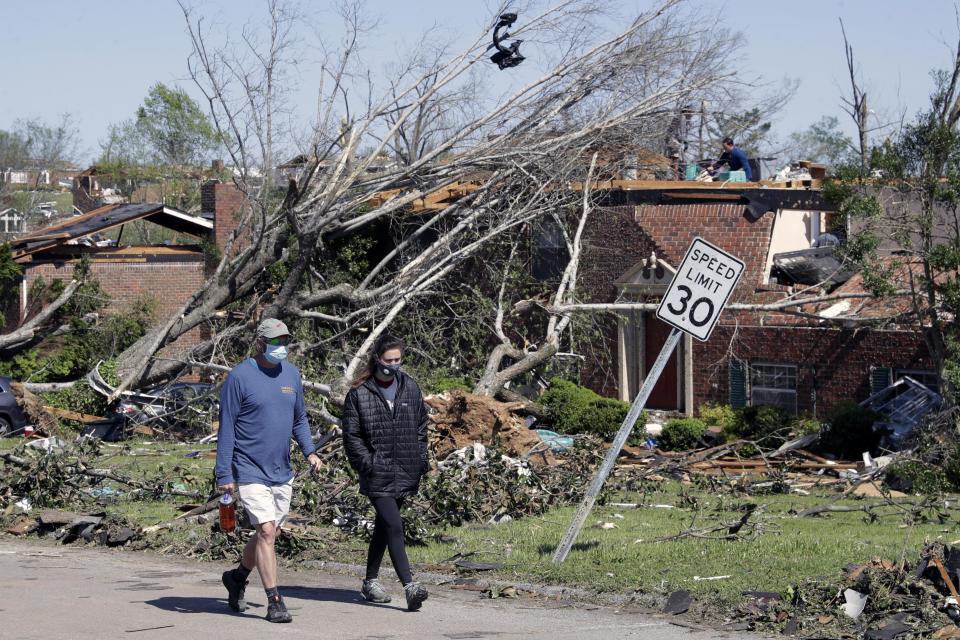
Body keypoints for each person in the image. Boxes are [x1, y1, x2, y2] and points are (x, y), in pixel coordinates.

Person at [216, 318, 322, 623]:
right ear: (260, 343)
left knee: (270, 533)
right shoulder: (239, 377)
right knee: (265, 530)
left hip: (281, 470)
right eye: (275, 342)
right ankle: (274, 600)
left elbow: (299, 418)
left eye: (285, 341)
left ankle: (236, 578)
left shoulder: (292, 374)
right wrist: (225, 475)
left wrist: (310, 452)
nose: (281, 347)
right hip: (248, 468)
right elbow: (227, 429)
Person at [342, 334, 430, 611]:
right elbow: (352, 437)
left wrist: (420, 459)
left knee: (383, 526)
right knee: (394, 524)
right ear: (377, 359)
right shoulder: (359, 394)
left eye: (398, 360)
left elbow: (421, 427)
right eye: (389, 360)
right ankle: (409, 585)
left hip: (405, 469)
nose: (394, 365)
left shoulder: (410, 388)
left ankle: (370, 582)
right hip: (377, 472)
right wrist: (369, 463)